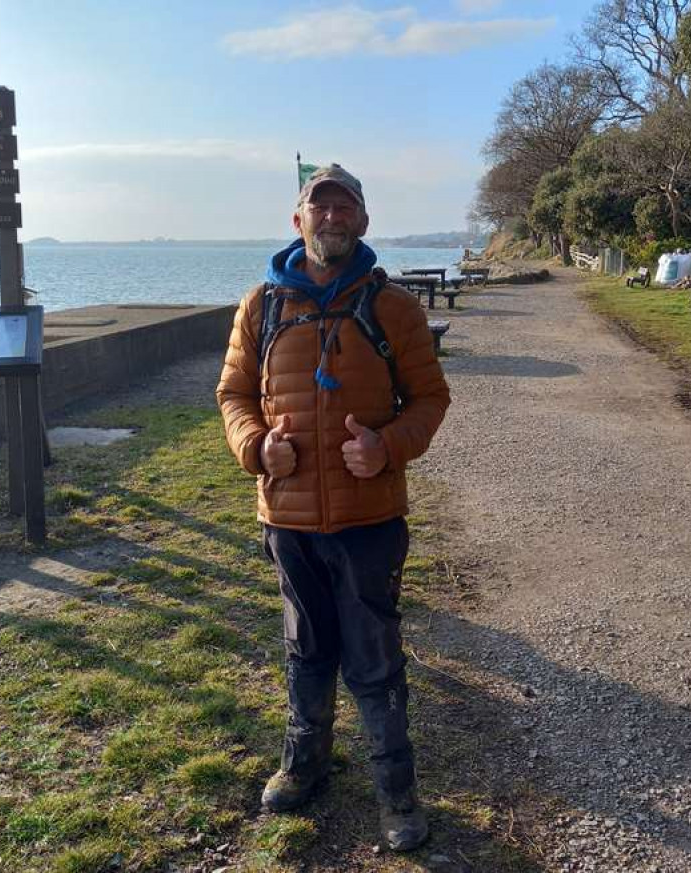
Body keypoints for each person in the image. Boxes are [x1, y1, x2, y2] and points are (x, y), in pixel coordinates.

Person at [216, 164, 450, 852]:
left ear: (363, 223)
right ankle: (304, 764)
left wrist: (386, 446)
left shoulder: (395, 308)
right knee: (306, 648)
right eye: (319, 208)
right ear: (298, 222)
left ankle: (396, 792)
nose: (332, 218)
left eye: (344, 208)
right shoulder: (260, 306)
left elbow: (431, 400)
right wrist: (258, 449)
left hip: (370, 519)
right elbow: (233, 396)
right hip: (286, 522)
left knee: (375, 659)